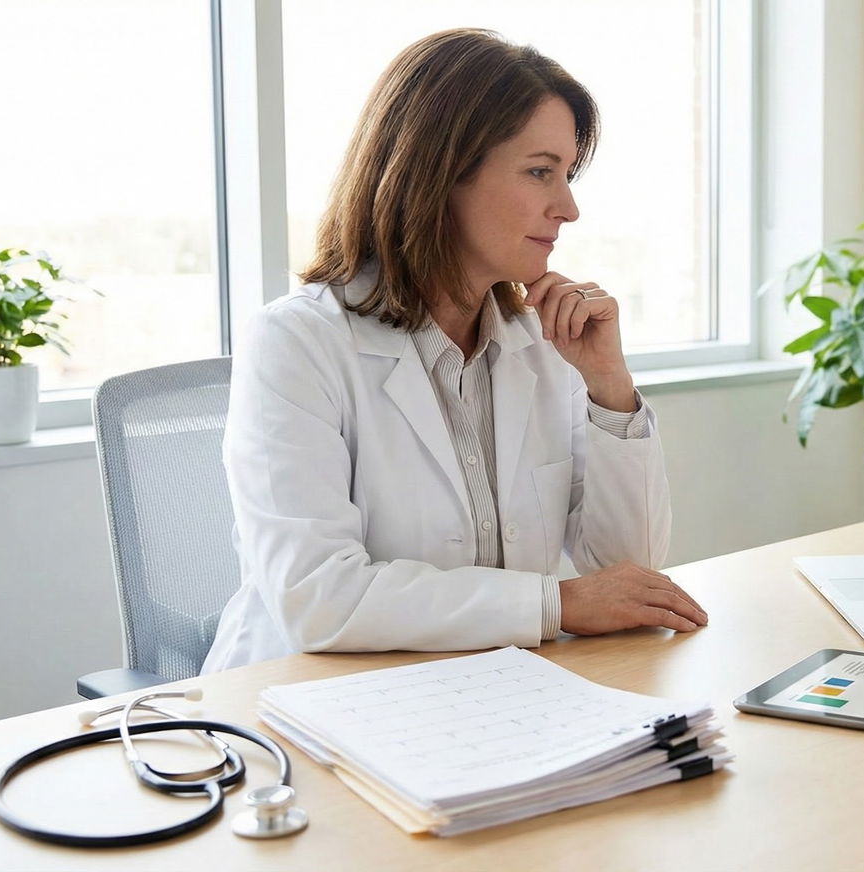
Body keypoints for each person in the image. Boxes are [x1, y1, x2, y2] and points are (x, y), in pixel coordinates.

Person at [201, 28, 708, 673]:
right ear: (440, 173)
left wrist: (609, 384)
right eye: (539, 172)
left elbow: (626, 573)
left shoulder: (544, 344)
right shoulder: (297, 342)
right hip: (310, 701)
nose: (569, 207)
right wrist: (556, 605)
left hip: (483, 690)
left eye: (568, 174)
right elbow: (317, 599)